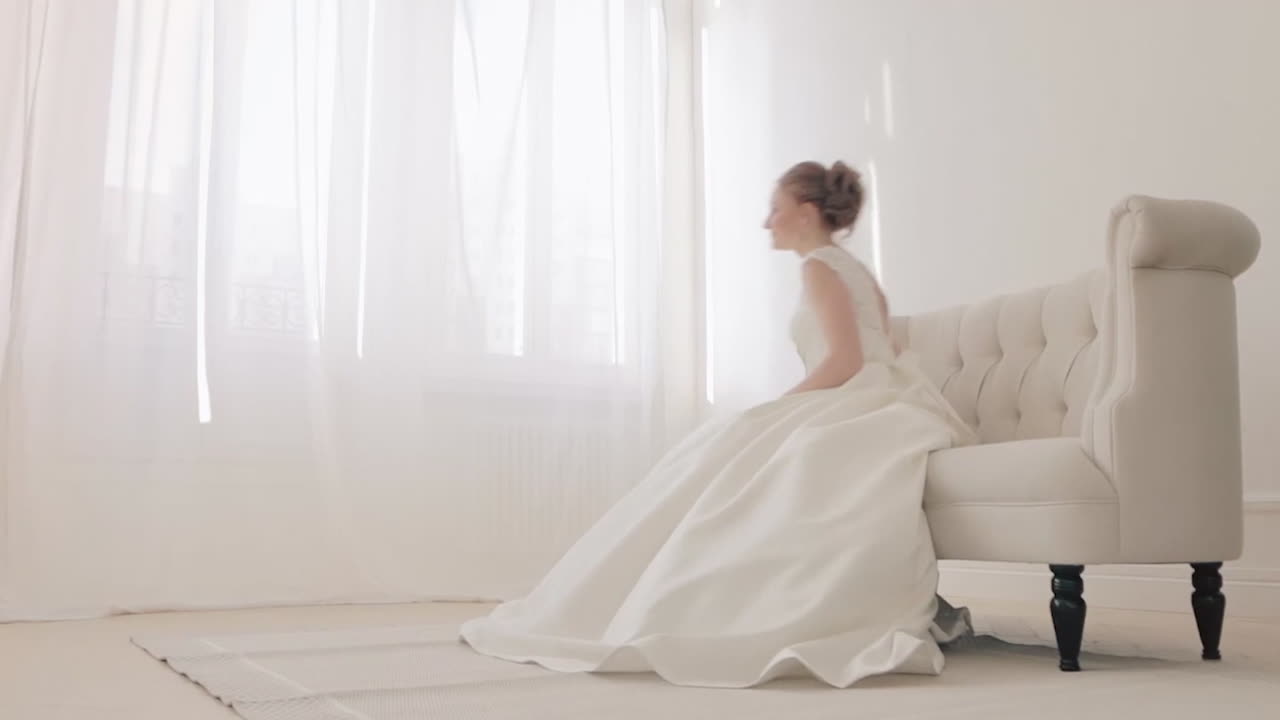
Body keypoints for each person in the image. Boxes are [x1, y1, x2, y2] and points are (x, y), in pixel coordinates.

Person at [460, 160, 977, 688]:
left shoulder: (820, 267)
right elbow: (886, 350)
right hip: (887, 394)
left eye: (774, 209)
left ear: (805, 213)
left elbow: (846, 361)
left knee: (735, 443)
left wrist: (780, 406)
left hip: (855, 392)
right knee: (738, 451)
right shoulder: (858, 272)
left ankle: (684, 604)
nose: (766, 222)